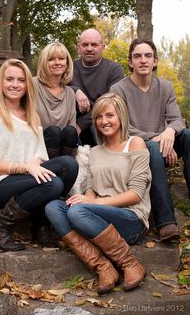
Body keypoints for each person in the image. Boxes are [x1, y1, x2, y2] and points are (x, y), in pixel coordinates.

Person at [45, 93, 151, 295]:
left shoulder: (135, 144)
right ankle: (104, 268)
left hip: (131, 218)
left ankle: (130, 264)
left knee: (78, 212)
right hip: (97, 216)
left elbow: (136, 194)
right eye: (99, 117)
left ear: (121, 116)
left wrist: (92, 204)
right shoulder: (94, 151)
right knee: (53, 207)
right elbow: (92, 188)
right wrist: (87, 198)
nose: (104, 121)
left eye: (110, 115)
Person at [0, 59, 78, 252]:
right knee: (53, 183)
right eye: (9, 79)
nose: (15, 84)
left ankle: (39, 223)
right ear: (1, 83)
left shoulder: (32, 115)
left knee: (69, 165)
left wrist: (34, 162)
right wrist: (25, 167)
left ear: (27, 84)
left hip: (25, 178)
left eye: (21, 80)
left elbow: (39, 153)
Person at [110, 38, 190, 241]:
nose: (143, 60)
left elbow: (177, 120)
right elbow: (123, 127)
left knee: (188, 136)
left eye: (148, 56)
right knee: (152, 149)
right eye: (137, 56)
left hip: (162, 143)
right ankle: (166, 223)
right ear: (130, 62)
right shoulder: (118, 90)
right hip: (133, 149)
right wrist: (157, 139)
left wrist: (169, 133)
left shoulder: (165, 86)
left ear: (155, 61)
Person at [70, 28, 125, 146]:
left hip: (101, 122)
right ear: (78, 47)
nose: (89, 48)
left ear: (103, 47)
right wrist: (75, 90)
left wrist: (80, 124)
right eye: (85, 45)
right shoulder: (69, 68)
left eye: (94, 44)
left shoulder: (114, 70)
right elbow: (56, 88)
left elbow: (111, 104)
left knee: (96, 126)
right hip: (72, 124)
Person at [34, 42, 78, 159]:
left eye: (61, 59)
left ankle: (64, 165)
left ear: (67, 63)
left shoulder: (69, 93)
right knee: (54, 132)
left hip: (63, 150)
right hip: (36, 148)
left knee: (70, 131)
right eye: (51, 59)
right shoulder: (32, 85)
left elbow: (71, 127)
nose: (57, 63)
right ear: (44, 63)